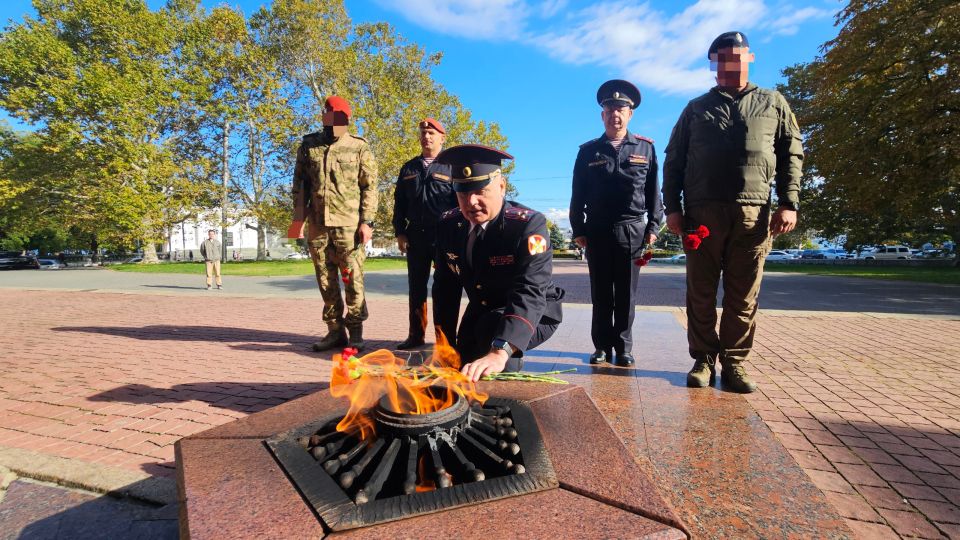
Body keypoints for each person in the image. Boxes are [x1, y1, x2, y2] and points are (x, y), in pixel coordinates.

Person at [662, 31, 803, 393]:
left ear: (749, 58)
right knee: (701, 292)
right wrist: (672, 209)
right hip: (701, 215)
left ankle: (735, 363)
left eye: (736, 57)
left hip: (753, 214)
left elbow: (792, 155)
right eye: (722, 59)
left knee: (743, 295)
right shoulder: (696, 108)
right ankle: (704, 360)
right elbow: (673, 161)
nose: (730, 65)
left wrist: (789, 203)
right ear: (714, 65)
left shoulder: (773, 103)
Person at [432, 144, 564, 382]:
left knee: (491, 348)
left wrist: (500, 351)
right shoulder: (448, 225)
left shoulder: (527, 225)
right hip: (483, 307)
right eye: (462, 193)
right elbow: (445, 288)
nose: (471, 202)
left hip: (535, 311)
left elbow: (530, 288)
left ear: (501, 186)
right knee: (461, 361)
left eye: (481, 191)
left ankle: (508, 377)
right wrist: (444, 344)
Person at [569, 79, 663, 367]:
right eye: (610, 109)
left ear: (630, 114)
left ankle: (623, 348)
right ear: (602, 115)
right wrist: (578, 230)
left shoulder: (645, 149)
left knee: (625, 294)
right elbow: (578, 193)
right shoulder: (588, 151)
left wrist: (653, 228)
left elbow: (653, 192)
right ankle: (601, 347)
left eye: (621, 109)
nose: (615, 114)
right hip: (597, 230)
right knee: (600, 293)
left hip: (632, 229)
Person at [291, 95, 378, 351]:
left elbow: (370, 188)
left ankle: (356, 333)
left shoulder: (359, 147)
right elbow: (299, 186)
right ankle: (334, 332)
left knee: (352, 279)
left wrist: (367, 222)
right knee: (325, 280)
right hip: (318, 225)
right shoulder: (309, 146)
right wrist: (298, 219)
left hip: (349, 226)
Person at [392, 118, 460, 350]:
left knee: (446, 288)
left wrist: (457, 235)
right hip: (416, 236)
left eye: (431, 132)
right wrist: (400, 232)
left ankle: (445, 340)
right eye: (423, 132)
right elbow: (399, 203)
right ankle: (415, 336)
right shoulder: (409, 168)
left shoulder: (452, 167)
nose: (426, 136)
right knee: (416, 288)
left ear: (442, 137)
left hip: (444, 235)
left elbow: (460, 204)